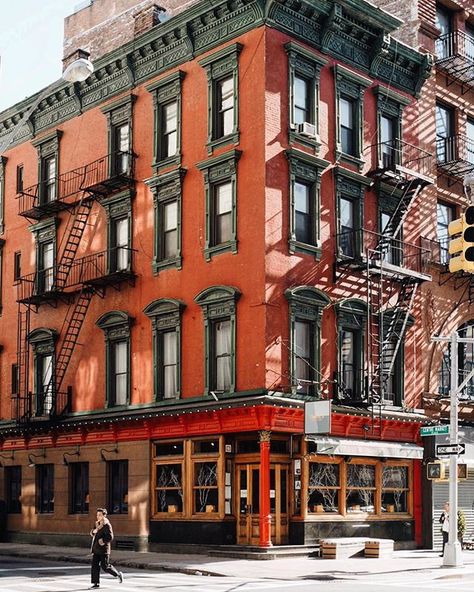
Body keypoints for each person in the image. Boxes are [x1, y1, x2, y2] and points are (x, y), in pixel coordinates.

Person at [89, 508, 123, 589]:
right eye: (97, 515)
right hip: (96, 548)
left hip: (104, 550)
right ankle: (95, 583)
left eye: (100, 515)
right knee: (94, 566)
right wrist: (93, 532)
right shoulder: (97, 524)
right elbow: (93, 532)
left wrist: (103, 541)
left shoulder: (107, 525)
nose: (98, 516)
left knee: (105, 566)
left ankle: (117, 574)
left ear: (104, 515)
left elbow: (110, 537)